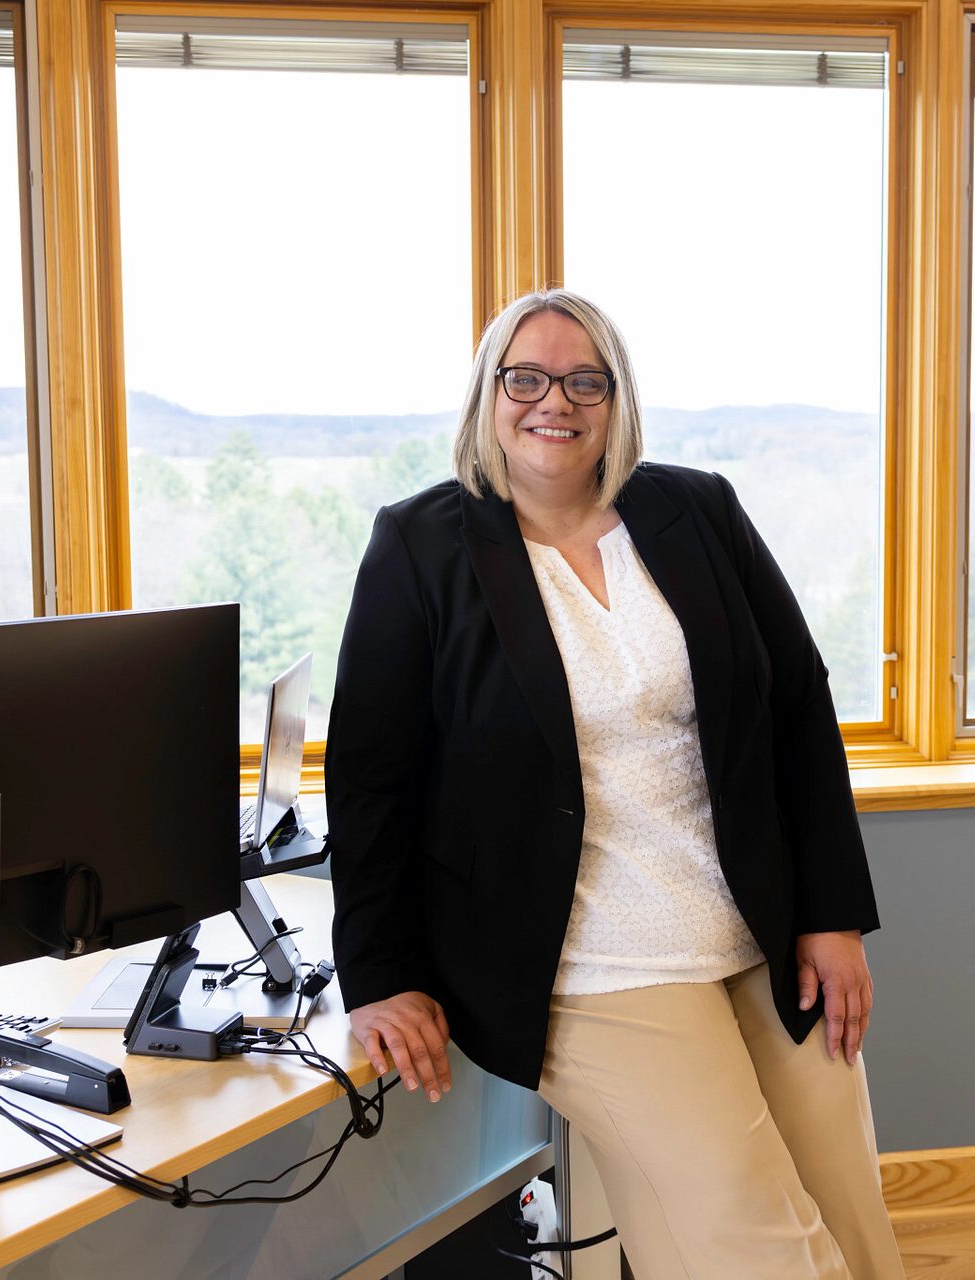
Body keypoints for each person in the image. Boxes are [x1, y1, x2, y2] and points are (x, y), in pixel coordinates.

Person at [326, 289, 904, 1278]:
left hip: (756, 927)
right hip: (591, 959)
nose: (554, 400)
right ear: (488, 393)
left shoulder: (698, 510)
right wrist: (380, 975)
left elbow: (798, 706)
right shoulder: (421, 545)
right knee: (763, 1241)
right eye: (526, 378)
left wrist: (833, 913)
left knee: (850, 1211)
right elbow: (369, 776)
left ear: (616, 397)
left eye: (584, 380)